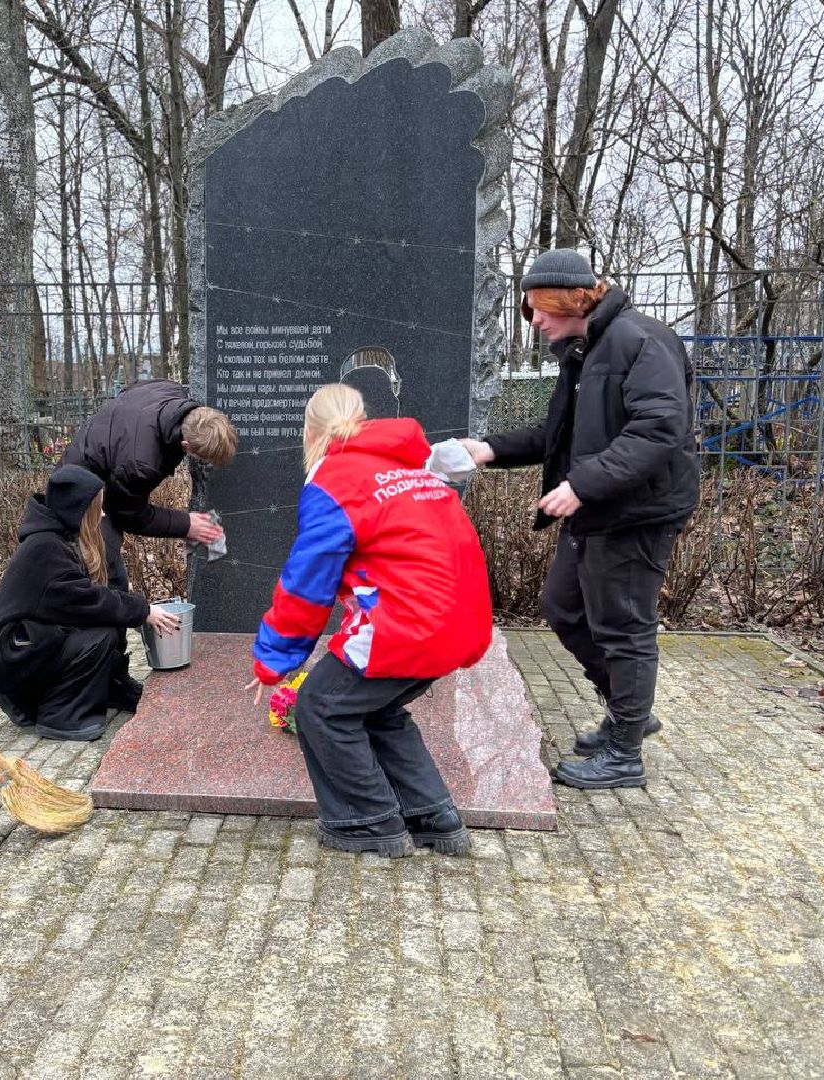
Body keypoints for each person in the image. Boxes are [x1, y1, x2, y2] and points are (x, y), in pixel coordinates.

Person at [460, 249, 698, 790]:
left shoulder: (641, 340)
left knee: (623, 626)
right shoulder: (585, 349)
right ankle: (628, 710)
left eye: (538, 308)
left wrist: (582, 485)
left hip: (635, 512)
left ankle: (624, 752)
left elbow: (659, 429)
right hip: (598, 507)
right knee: (563, 607)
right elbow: (560, 434)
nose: (534, 320)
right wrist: (490, 449)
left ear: (570, 299)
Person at [245, 384, 494, 858]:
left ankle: (369, 821)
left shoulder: (335, 482)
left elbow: (306, 583)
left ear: (310, 431)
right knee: (376, 708)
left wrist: (273, 660)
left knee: (320, 706)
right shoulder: (410, 466)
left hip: (408, 624)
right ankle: (432, 815)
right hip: (460, 622)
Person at [0, 465, 181, 741]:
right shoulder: (46, 549)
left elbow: (85, 602)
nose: (104, 514)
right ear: (79, 509)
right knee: (99, 636)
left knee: (101, 628)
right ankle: (61, 716)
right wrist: (143, 611)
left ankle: (31, 699)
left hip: (20, 649)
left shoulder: (57, 538)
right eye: (98, 508)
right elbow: (88, 601)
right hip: (8, 656)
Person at [61, 379, 236, 592]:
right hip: (79, 494)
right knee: (108, 577)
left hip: (95, 457)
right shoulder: (140, 464)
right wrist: (186, 524)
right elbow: (129, 515)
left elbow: (130, 389)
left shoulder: (171, 390)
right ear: (186, 446)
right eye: (202, 459)